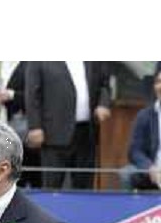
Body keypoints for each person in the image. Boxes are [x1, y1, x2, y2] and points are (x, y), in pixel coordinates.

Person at [25, 61, 111, 189]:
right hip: (53, 134)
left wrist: (103, 104)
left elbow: (104, 84)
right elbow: (32, 94)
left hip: (86, 133)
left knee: (84, 186)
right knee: (52, 186)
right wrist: (34, 126)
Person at [0, 61, 41, 188]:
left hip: (27, 127)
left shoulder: (31, 64)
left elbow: (37, 96)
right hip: (5, 126)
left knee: (30, 173)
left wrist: (11, 95)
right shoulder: (1, 66)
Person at [120, 66, 161, 190]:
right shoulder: (145, 116)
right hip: (153, 171)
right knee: (127, 173)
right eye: (158, 82)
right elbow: (134, 151)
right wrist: (150, 168)